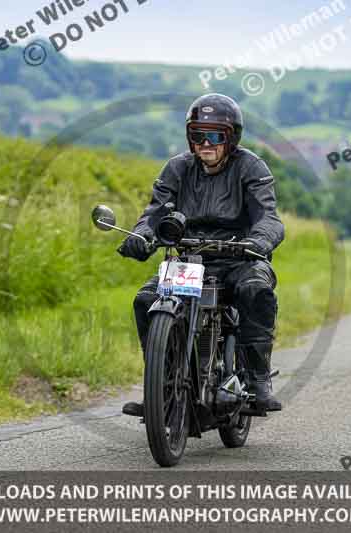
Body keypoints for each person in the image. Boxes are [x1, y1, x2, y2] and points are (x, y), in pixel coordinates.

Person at [117, 93, 285, 415]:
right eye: (197, 135)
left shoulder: (251, 167)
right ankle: (161, 385)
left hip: (240, 258)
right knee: (145, 299)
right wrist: (141, 236)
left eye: (214, 136)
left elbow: (268, 217)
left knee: (256, 290)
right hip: (189, 261)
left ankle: (257, 381)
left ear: (231, 137)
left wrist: (260, 241)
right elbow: (155, 213)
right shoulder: (177, 168)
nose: (204, 143)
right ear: (189, 136)